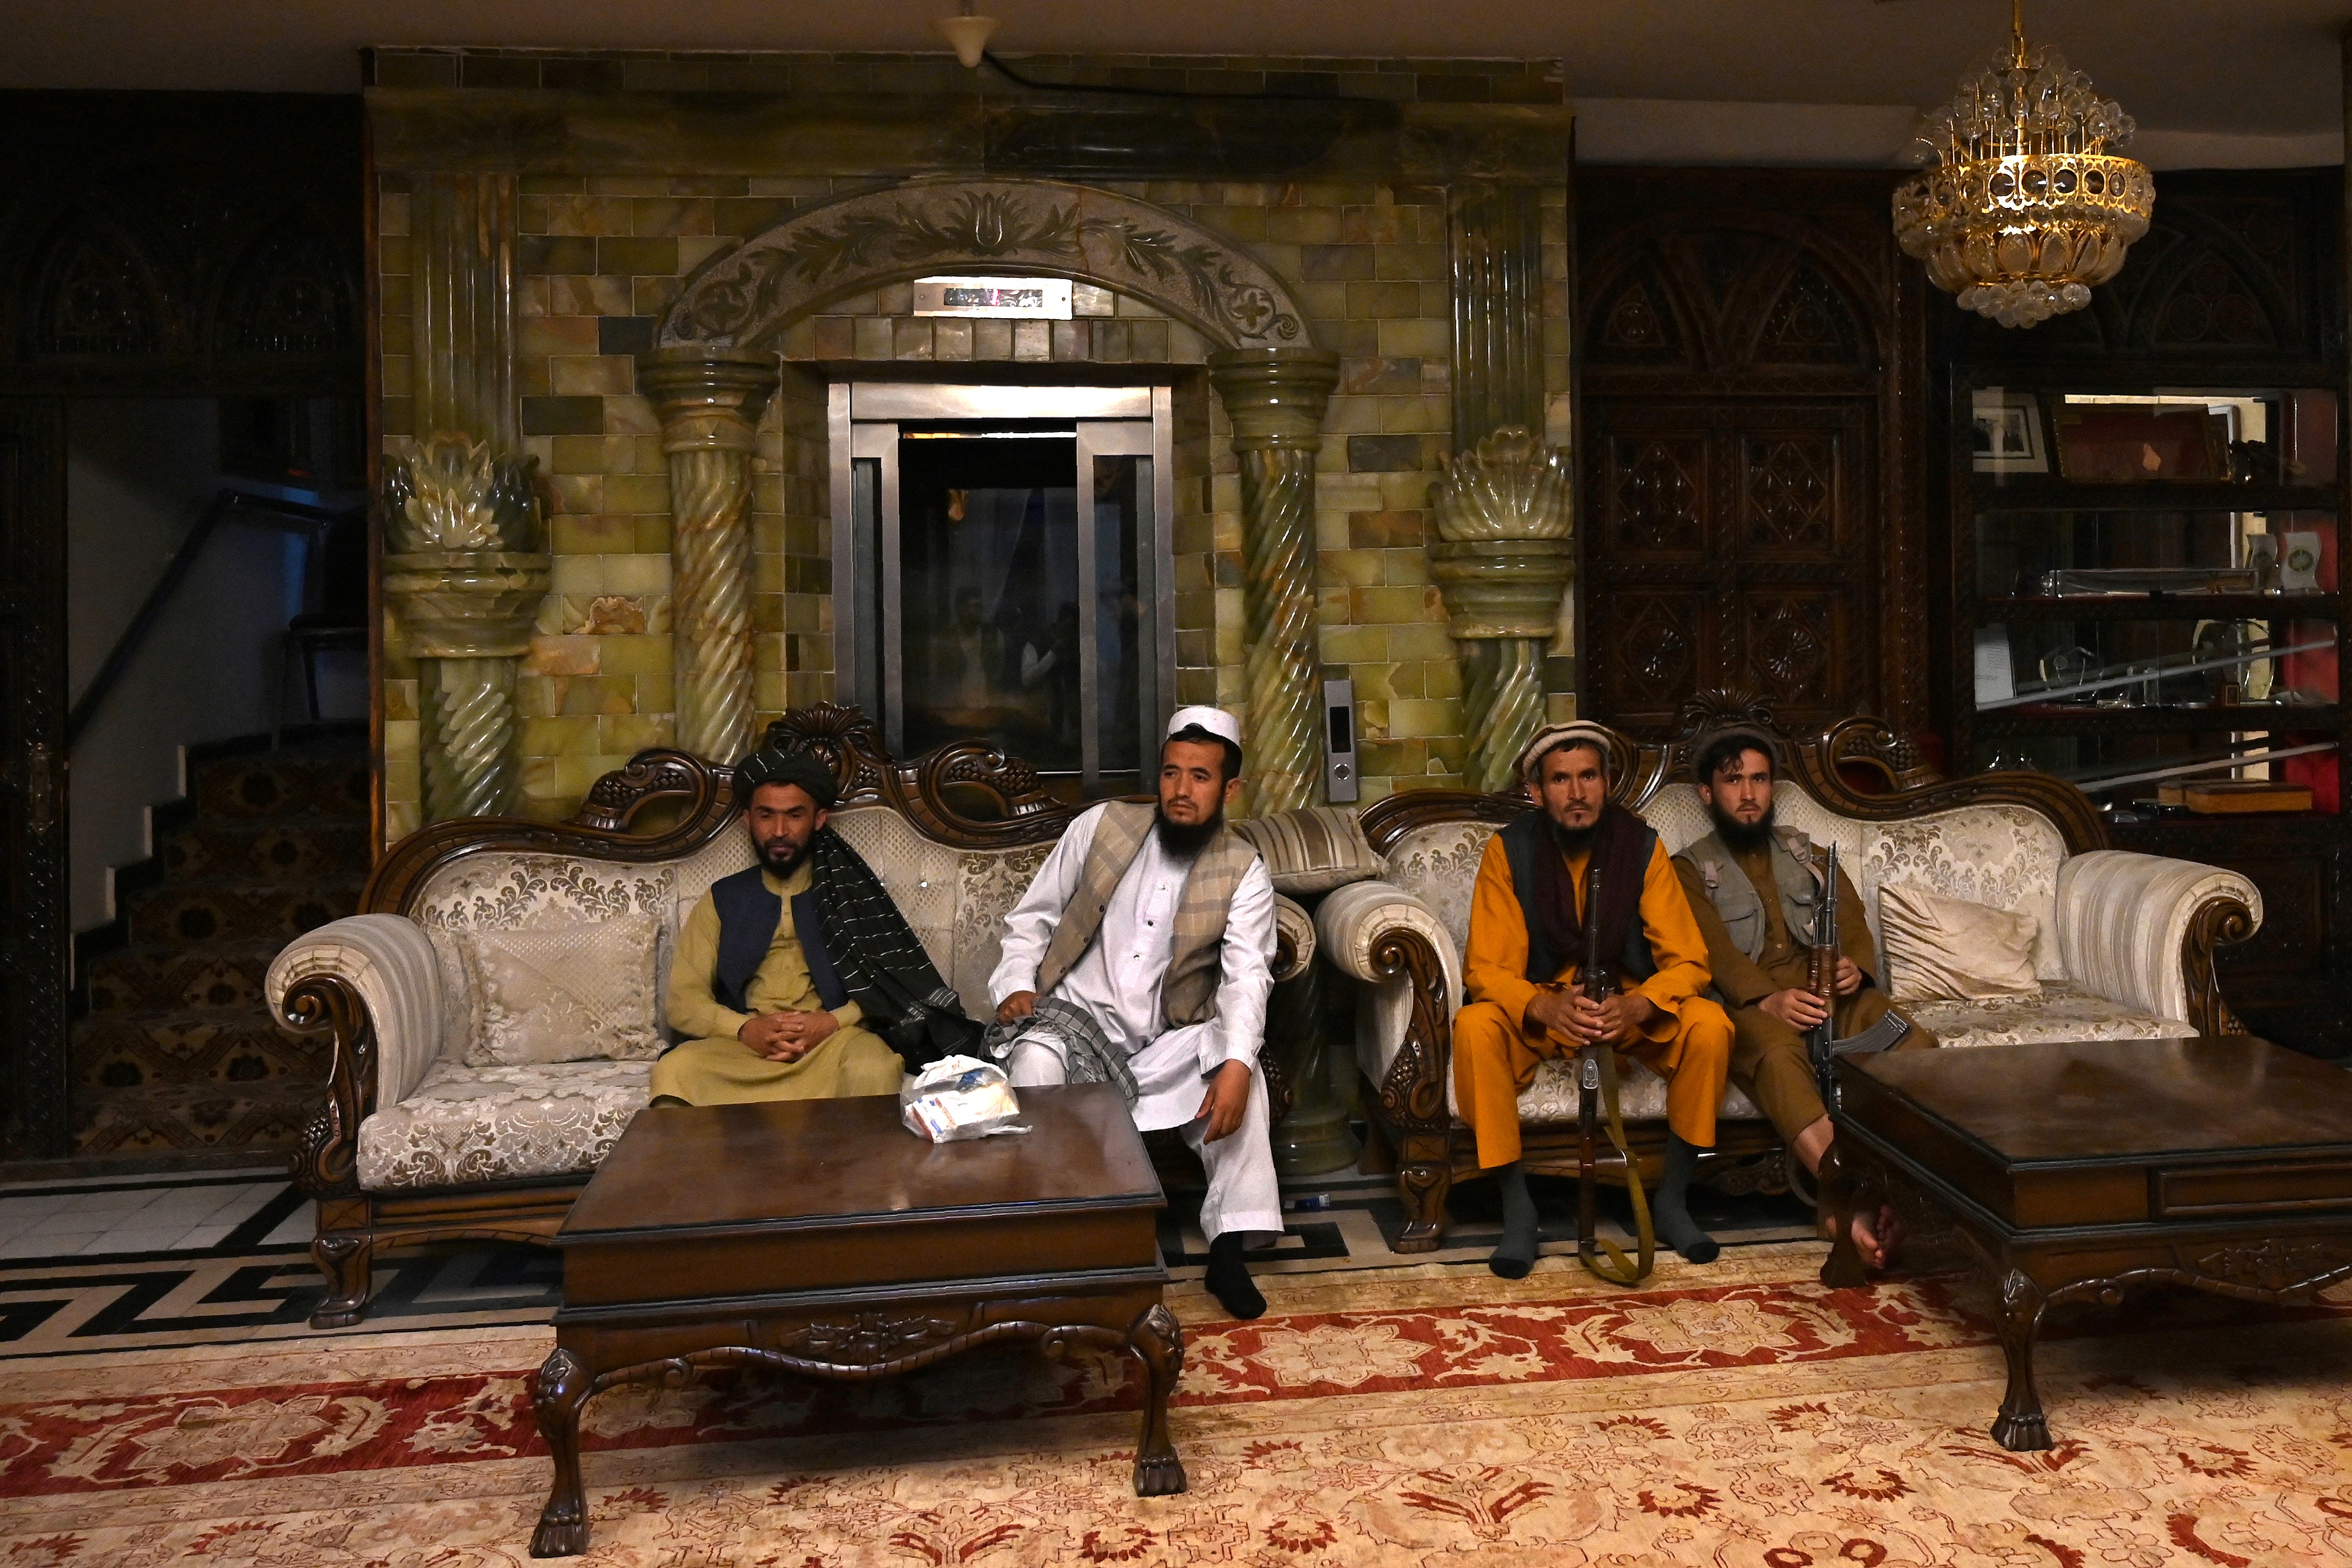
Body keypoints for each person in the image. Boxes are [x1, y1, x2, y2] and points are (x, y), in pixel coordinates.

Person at [990, 706, 1280, 1320]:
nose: (1181, 790)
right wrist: (1016, 984)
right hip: (1073, 1027)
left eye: (1200, 777)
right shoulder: (1101, 826)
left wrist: (1235, 1062)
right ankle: (1056, 1236)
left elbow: (1247, 976)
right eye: (1172, 773)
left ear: (1230, 789)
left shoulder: (1244, 870)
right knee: (1034, 1059)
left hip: (1164, 1044)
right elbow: (1032, 916)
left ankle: (1229, 1250)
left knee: (1241, 1074)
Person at [1453, 722, 1736, 1278]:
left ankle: (1672, 1200)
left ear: (1607, 783)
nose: (1577, 792)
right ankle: (1518, 1208)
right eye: (1561, 780)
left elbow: (1689, 962)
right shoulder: (1509, 850)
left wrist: (1639, 1006)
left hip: (1623, 1011)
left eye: (1588, 776)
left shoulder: (1642, 846)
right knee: (1474, 1026)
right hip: (1547, 1013)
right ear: (1537, 791)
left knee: (1710, 1024)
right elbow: (1487, 968)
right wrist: (1544, 1006)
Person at [1670, 728, 1937, 1269]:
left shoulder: (1810, 854)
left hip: (1830, 993)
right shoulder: (1688, 870)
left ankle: (1891, 1193)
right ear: (1707, 792)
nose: (1749, 793)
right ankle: (1856, 1197)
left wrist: (1853, 967)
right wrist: (1767, 1000)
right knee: (1776, 1053)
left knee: (1912, 1042)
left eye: (1759, 779)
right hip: (1748, 1004)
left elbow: (1852, 921)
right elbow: (1711, 950)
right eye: (1734, 781)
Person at [652, 743, 980, 1106]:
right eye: (766, 815)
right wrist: (744, 1029)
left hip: (832, 1044)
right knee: (677, 1070)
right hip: (746, 1047)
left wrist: (832, 1023)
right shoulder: (721, 899)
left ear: (819, 819)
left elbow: (890, 988)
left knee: (873, 1067)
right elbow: (683, 1001)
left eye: (794, 815)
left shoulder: (852, 895)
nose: (779, 830)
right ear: (748, 820)